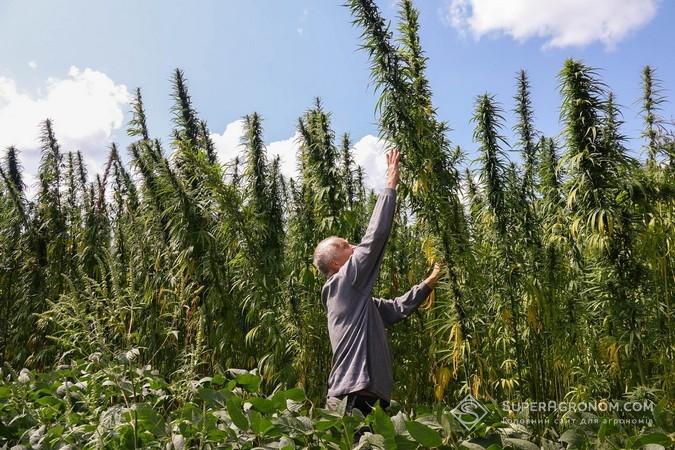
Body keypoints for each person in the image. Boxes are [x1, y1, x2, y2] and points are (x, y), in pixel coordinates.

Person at [313, 148, 443, 420]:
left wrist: (429, 282)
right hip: (352, 395)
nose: (351, 244)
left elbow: (395, 309)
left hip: (368, 394)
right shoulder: (343, 282)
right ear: (335, 264)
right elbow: (374, 239)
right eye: (343, 245)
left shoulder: (358, 301)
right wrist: (391, 181)